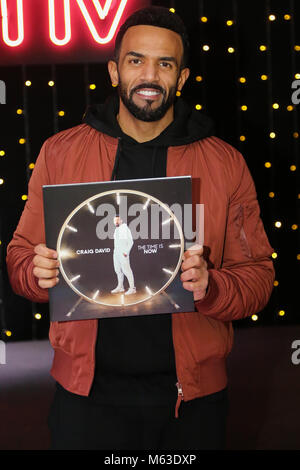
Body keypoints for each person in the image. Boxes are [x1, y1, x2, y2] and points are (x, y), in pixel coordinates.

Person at [6, 6, 275, 450]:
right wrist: (36, 274)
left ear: (182, 78)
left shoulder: (225, 164)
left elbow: (259, 277)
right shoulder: (60, 152)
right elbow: (19, 256)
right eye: (136, 60)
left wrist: (212, 287)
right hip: (86, 399)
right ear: (114, 71)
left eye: (164, 63)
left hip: (191, 402)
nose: (149, 75)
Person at [111, 215, 136, 295]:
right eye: (115, 220)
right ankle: (120, 287)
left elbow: (131, 242)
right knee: (118, 270)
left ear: (121, 220)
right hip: (116, 253)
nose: (116, 222)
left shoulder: (125, 228)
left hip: (123, 253)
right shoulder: (116, 230)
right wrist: (116, 252)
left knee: (127, 270)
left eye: (118, 220)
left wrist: (126, 252)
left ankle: (132, 288)